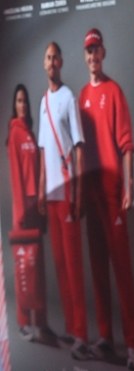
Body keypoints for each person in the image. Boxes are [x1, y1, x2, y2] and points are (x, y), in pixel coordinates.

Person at [78, 28, 134, 371]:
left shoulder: (114, 92)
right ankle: (105, 337)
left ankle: (131, 346)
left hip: (113, 191)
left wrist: (129, 185)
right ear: (85, 57)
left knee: (122, 271)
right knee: (98, 268)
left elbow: (126, 144)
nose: (93, 57)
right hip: (91, 195)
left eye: (96, 51)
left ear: (103, 54)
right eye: (88, 52)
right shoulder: (82, 97)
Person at [37, 42, 91, 361]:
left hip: (69, 190)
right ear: (44, 64)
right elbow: (44, 150)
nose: (52, 61)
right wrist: (41, 190)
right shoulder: (43, 102)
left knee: (73, 265)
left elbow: (79, 149)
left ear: (61, 62)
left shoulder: (68, 97)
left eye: (56, 56)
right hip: (52, 195)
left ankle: (82, 335)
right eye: (48, 57)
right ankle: (71, 328)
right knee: (60, 264)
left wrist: (79, 193)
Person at [6, 84, 48, 341]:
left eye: (25, 101)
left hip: (35, 208)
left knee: (37, 267)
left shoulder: (30, 134)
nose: (22, 105)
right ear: (15, 105)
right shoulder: (14, 134)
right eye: (19, 101)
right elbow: (16, 177)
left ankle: (41, 323)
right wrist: (21, 213)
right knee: (23, 267)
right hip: (22, 210)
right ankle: (23, 323)